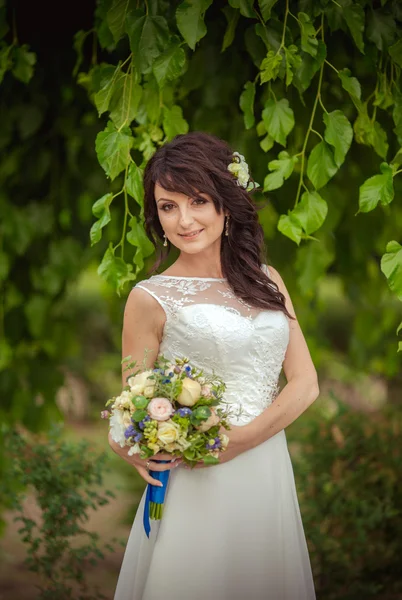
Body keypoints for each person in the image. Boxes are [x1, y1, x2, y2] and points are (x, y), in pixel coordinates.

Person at [109, 131, 319, 600]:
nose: (183, 220)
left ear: (226, 204)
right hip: (196, 476)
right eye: (167, 206)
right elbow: (130, 408)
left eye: (198, 201)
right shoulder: (150, 297)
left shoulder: (268, 281)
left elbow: (305, 384)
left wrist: (244, 439)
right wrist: (132, 444)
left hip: (264, 466)